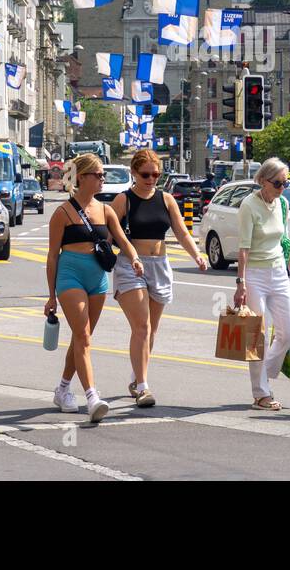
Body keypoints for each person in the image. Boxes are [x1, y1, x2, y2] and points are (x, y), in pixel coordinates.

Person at [45, 154, 142, 423]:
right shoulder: (62, 213)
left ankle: (63, 388)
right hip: (70, 275)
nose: (103, 179)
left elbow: (123, 240)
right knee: (83, 337)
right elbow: (52, 256)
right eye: (98, 175)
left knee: (81, 337)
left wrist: (134, 258)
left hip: (97, 278)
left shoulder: (106, 210)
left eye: (103, 175)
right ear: (82, 177)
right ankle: (92, 397)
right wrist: (51, 295)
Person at [108, 149, 208, 407]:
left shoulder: (166, 199)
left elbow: (182, 233)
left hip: (160, 265)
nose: (151, 179)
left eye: (156, 174)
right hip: (131, 266)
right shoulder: (123, 200)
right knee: (141, 327)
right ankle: (143, 387)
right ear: (134, 172)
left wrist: (196, 255)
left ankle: (135, 376)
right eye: (145, 174)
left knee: (151, 329)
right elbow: (108, 234)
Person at [233, 157, 290, 411]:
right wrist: (240, 283)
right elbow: (243, 249)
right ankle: (261, 393)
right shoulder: (249, 206)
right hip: (254, 275)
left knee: (289, 332)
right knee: (257, 335)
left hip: (278, 272)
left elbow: (285, 242)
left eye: (286, 183)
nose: (282, 188)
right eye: (277, 183)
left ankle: (266, 374)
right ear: (262, 180)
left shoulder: (282, 204)